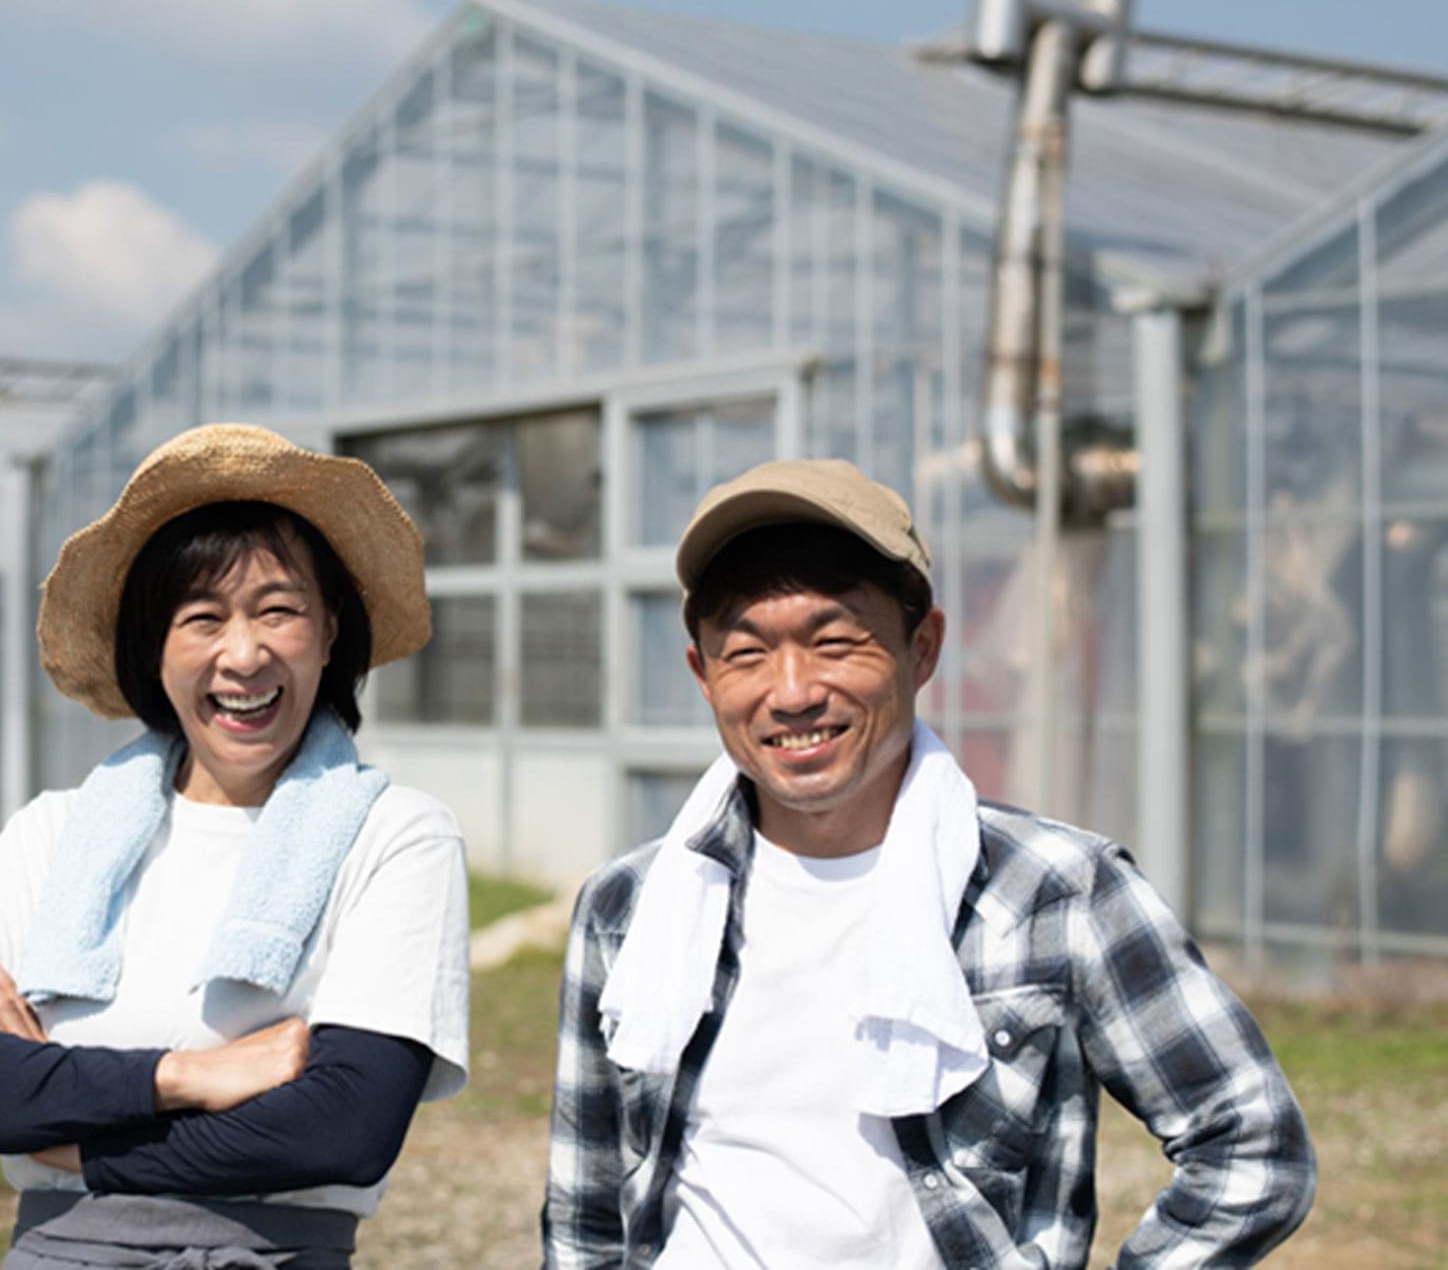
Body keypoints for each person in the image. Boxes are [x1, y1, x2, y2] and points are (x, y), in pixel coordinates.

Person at [541, 458, 1315, 1269]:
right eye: (746, 652)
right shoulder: (631, 906)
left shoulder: (1058, 891)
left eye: (836, 641)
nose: (794, 690)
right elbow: (586, 1218)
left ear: (923, 647)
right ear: (703, 675)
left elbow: (1253, 1146)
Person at [0, 424, 469, 1269]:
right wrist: (186, 1076)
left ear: (331, 628)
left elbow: (344, 1127)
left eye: (279, 609)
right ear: (153, 650)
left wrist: (68, 1136)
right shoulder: (53, 832)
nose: (244, 654)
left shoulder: (396, 835)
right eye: (202, 617)